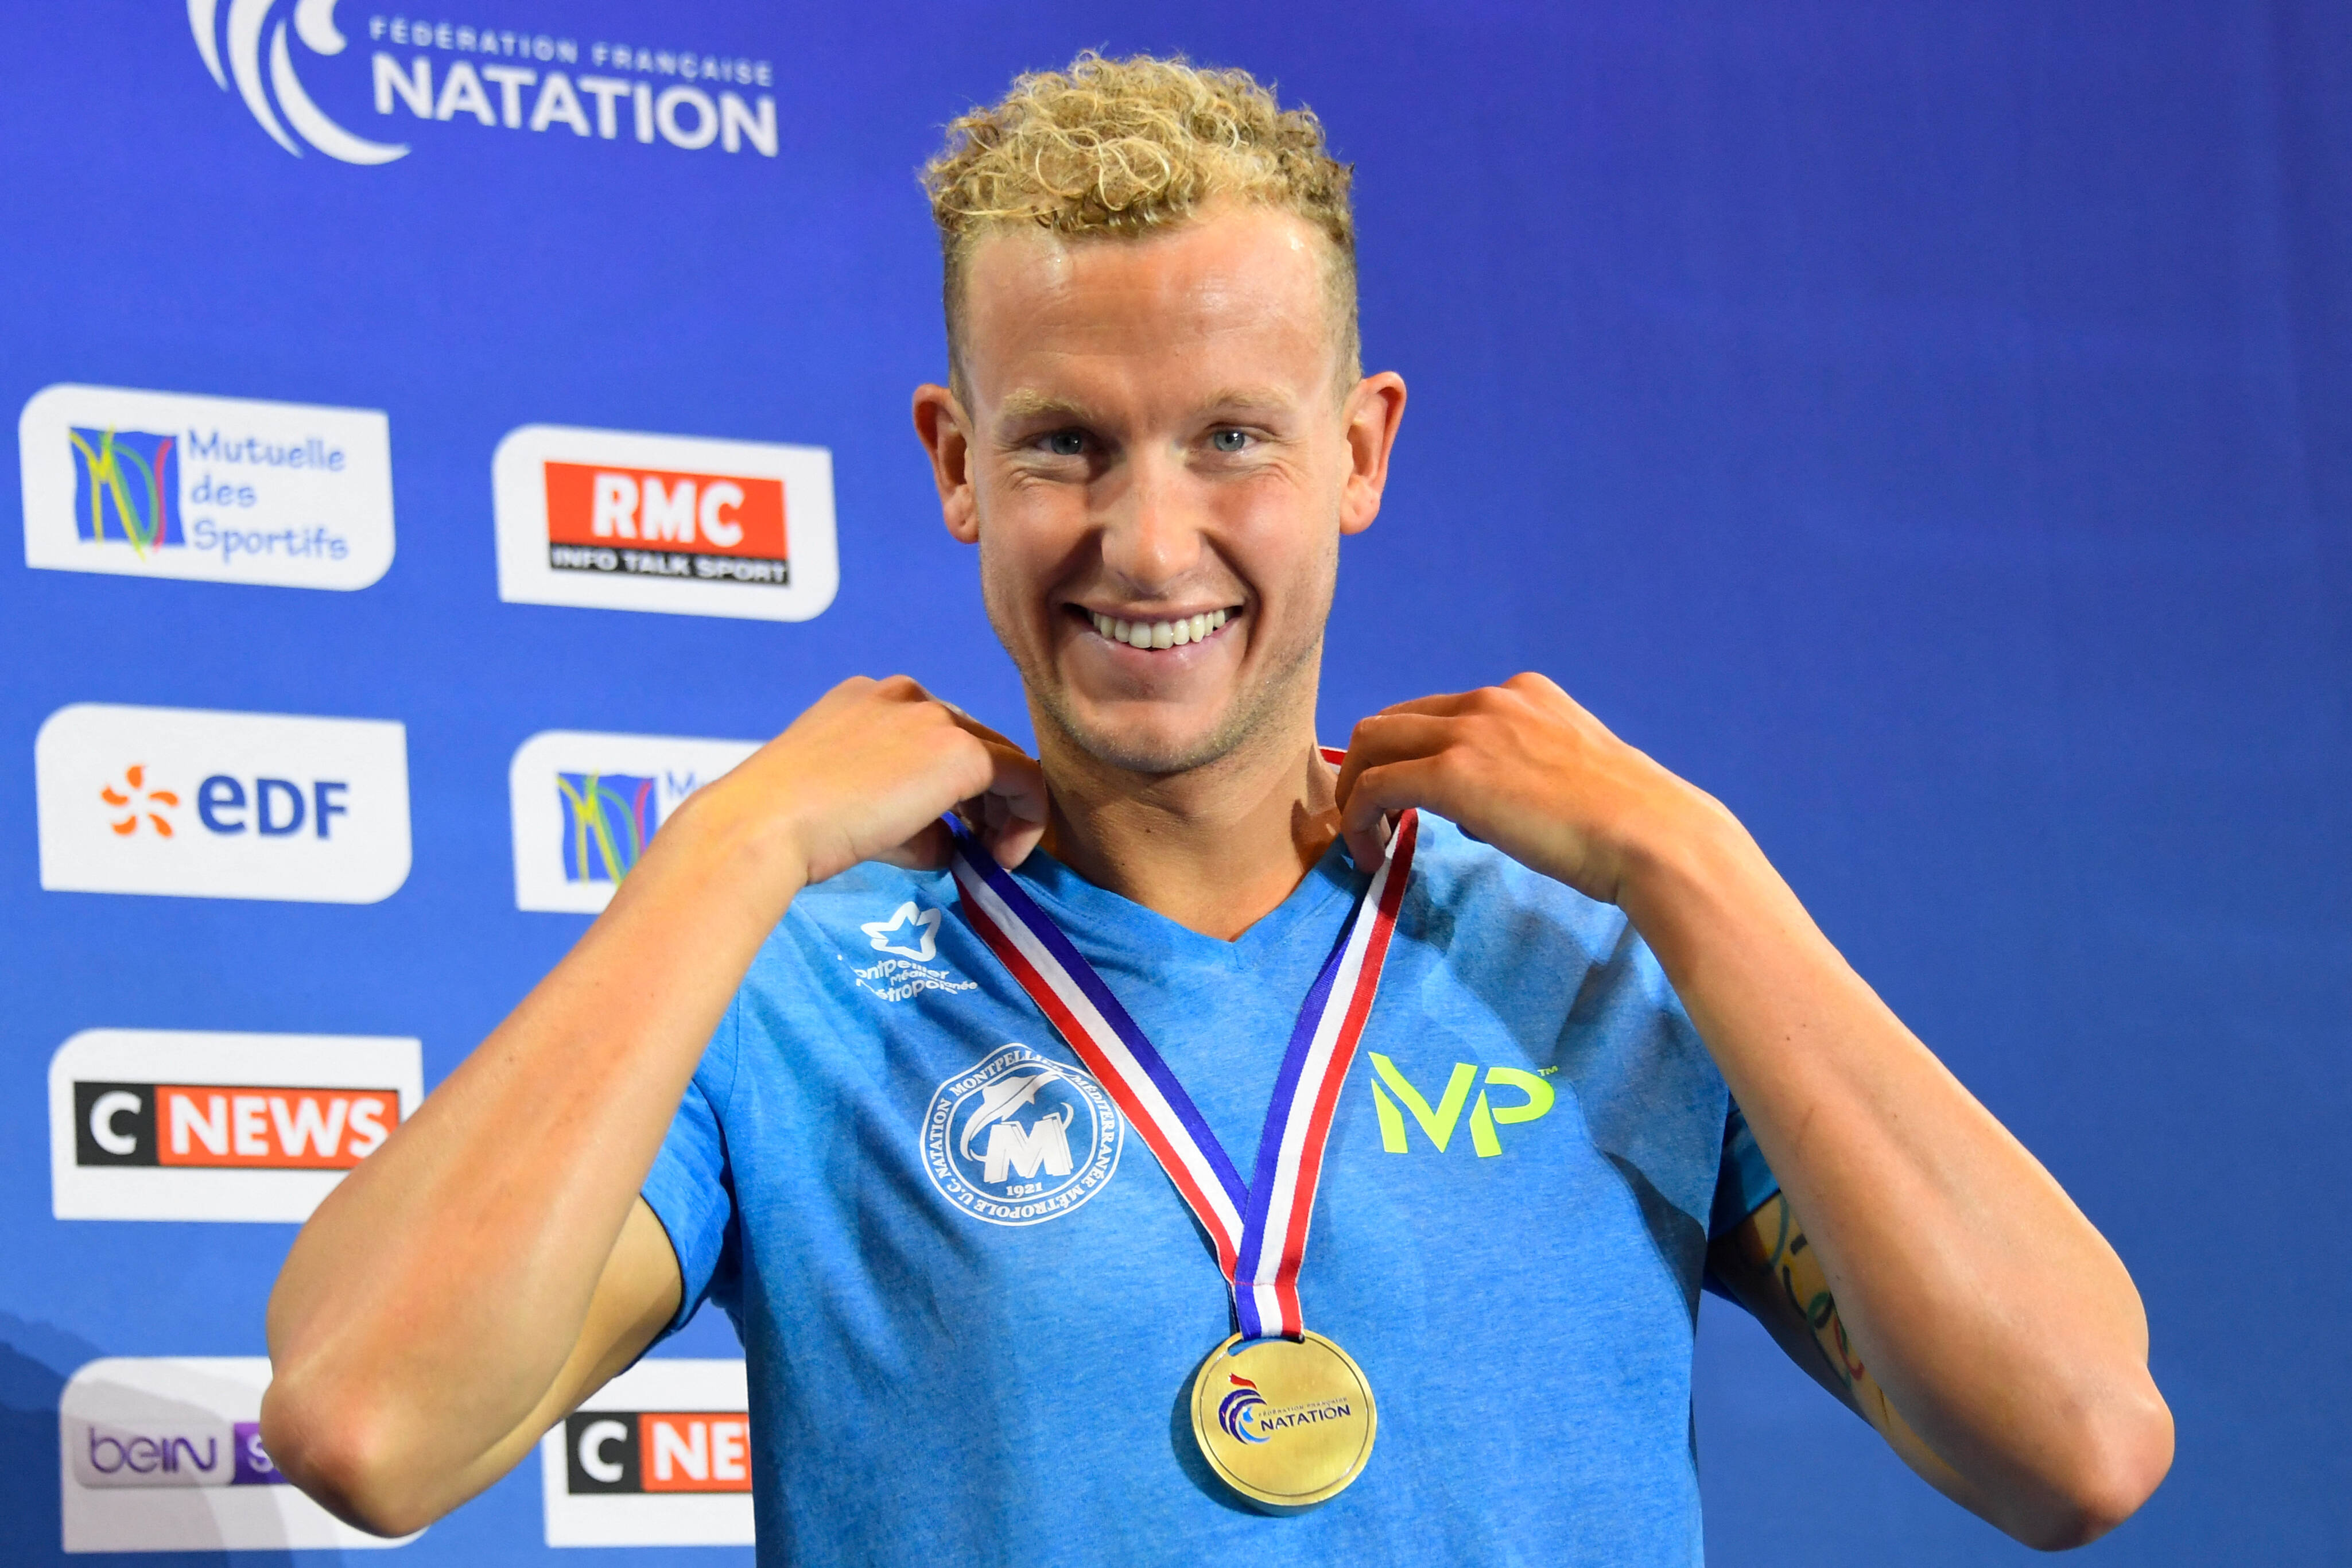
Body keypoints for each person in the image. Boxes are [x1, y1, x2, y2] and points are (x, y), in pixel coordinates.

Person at [260, 52, 2173, 1563]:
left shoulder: (1596, 958)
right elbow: (367, 1422)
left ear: (1361, 449)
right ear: (954, 461)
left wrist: (1695, 861)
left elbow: (2077, 1442)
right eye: (1064, 442)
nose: (1145, 537)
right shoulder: (800, 990)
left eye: (1232, 437)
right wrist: (718, 853)